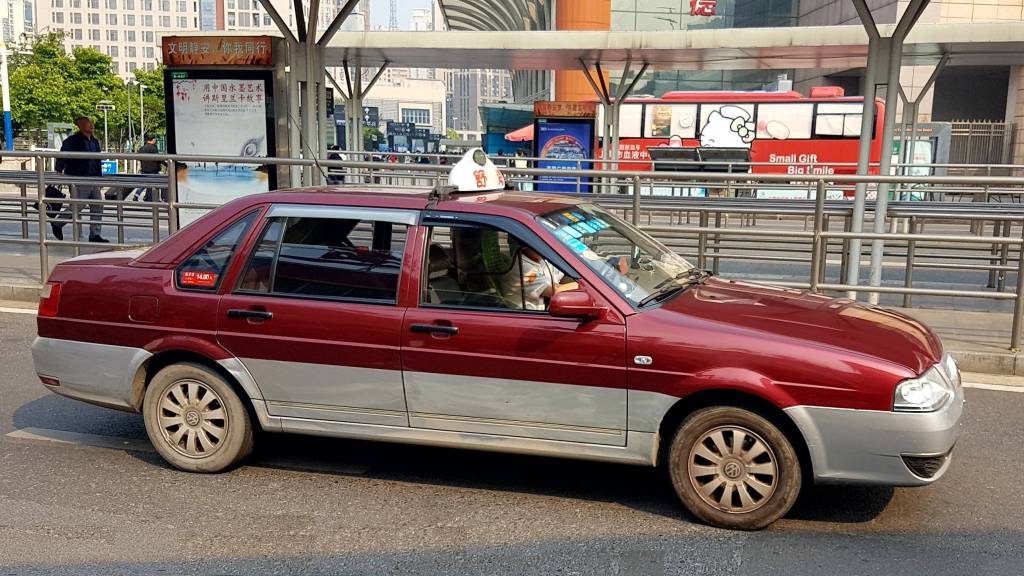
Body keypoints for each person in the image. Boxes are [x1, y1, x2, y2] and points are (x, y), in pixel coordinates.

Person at [54, 115, 106, 242]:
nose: (92, 125)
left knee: (98, 205)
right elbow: (63, 155)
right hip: (78, 177)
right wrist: (59, 169)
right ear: (81, 125)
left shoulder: (94, 141)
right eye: (89, 123)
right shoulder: (72, 141)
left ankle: (95, 234)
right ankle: (58, 223)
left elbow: (97, 160)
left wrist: (99, 178)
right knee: (79, 205)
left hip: (93, 177)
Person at [137, 133, 162, 202]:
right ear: (153, 139)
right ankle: (157, 198)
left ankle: (138, 195)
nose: (155, 140)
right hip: (153, 170)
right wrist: (166, 164)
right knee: (160, 183)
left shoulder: (142, 148)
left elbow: (139, 159)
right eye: (155, 139)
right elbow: (159, 159)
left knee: (144, 184)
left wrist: (139, 167)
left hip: (144, 169)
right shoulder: (154, 148)